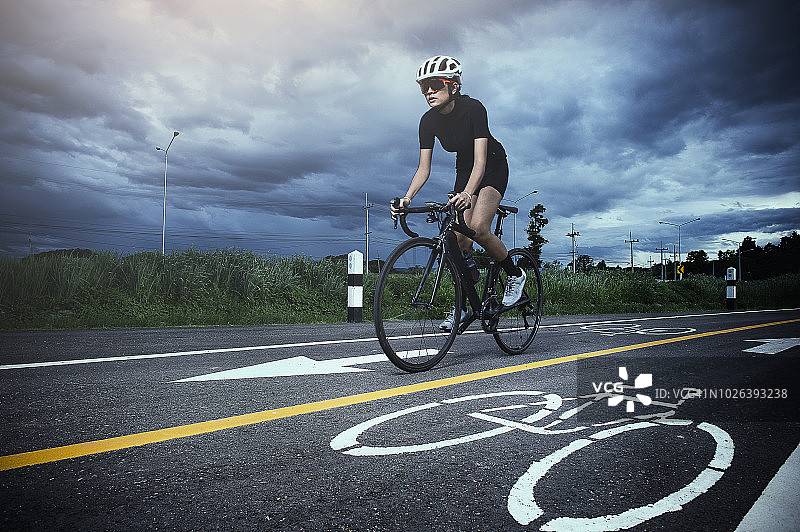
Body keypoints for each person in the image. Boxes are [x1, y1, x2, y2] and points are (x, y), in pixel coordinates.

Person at [390, 55, 526, 331]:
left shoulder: (474, 109)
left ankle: (515, 276)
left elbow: (481, 162)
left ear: (453, 86)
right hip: (465, 168)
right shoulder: (427, 121)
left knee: (478, 227)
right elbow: (423, 168)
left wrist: (467, 193)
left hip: (491, 164)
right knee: (458, 240)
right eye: (423, 87)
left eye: (435, 85)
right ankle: (463, 307)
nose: (428, 91)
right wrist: (407, 198)